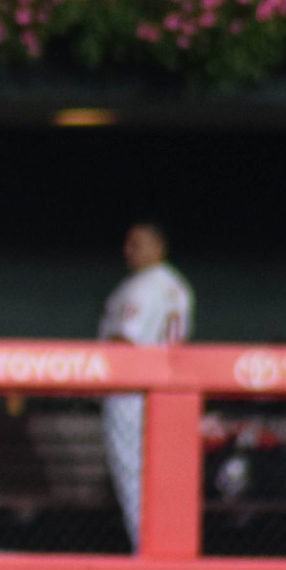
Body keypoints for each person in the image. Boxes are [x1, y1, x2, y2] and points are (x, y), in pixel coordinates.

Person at [98, 221, 193, 550]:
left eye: (136, 243)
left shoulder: (141, 287)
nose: (128, 250)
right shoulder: (178, 286)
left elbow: (124, 344)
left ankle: (148, 556)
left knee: (136, 482)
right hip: (171, 394)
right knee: (162, 483)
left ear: (159, 248)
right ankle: (167, 553)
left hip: (131, 394)